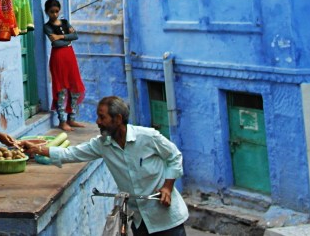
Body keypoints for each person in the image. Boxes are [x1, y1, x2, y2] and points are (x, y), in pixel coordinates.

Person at [22, 96, 189, 236]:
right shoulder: (102, 145)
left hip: (167, 220)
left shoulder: (148, 137)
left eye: (102, 117)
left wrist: (167, 187)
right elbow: (71, 153)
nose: (97, 122)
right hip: (140, 221)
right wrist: (38, 149)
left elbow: (174, 157)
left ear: (117, 119)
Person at [43, 0, 86, 130]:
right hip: (58, 58)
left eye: (56, 11)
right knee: (60, 89)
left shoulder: (65, 22)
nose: (54, 14)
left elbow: (76, 36)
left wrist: (61, 37)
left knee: (75, 87)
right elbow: (55, 44)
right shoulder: (47, 27)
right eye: (51, 12)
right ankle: (62, 121)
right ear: (47, 12)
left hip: (70, 57)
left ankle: (71, 118)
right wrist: (67, 39)